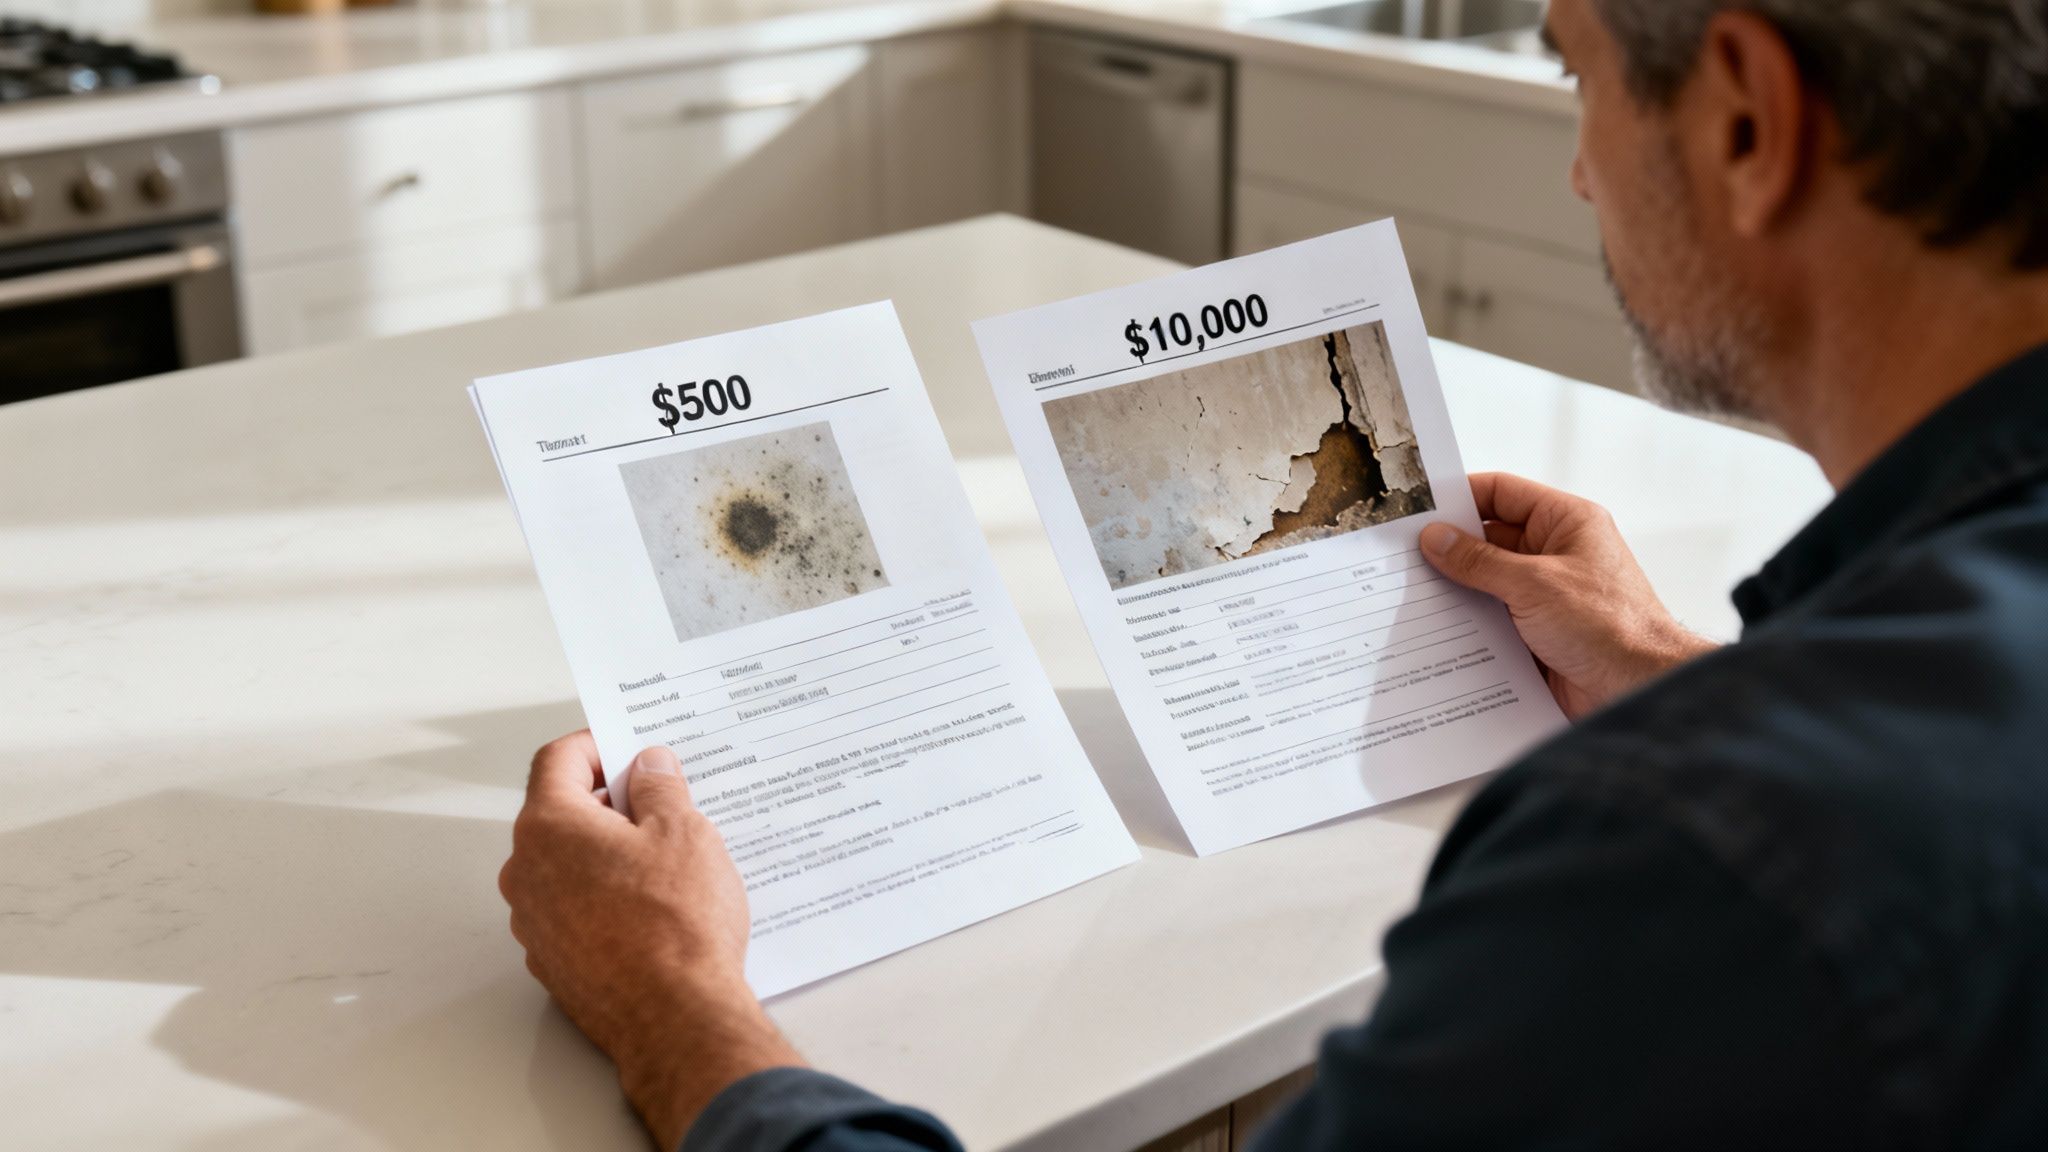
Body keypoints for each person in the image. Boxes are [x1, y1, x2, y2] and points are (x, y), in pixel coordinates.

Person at [499, 0, 2048, 1146]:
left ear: (1746, 122)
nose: (1580, 172)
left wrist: (671, 1000)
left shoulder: (1687, 864)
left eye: (1572, 69)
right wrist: (1666, 671)